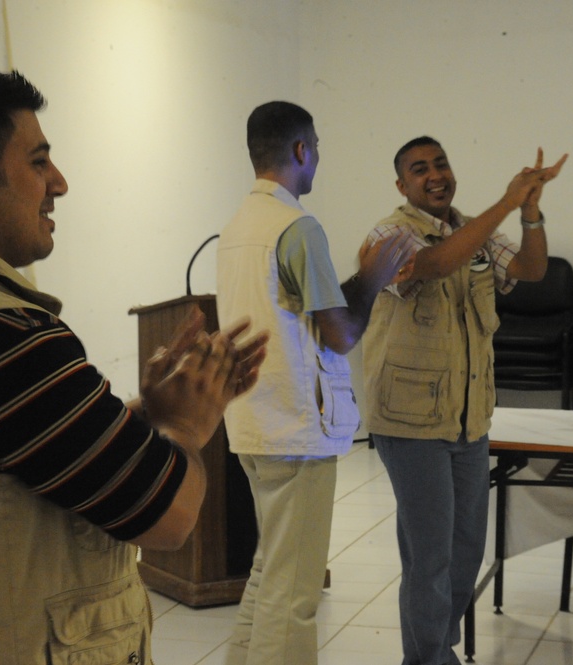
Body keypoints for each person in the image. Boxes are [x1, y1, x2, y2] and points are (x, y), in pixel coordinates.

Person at [0, 68, 267, 664]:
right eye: (38, 162)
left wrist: (148, 412)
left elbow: (2, 451)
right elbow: (170, 515)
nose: (60, 182)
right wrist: (189, 424)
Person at [215, 101, 415, 665]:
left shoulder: (237, 227)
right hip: (296, 426)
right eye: (317, 147)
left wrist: (359, 278)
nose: (318, 157)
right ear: (301, 150)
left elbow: (305, 308)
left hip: (253, 422)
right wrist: (374, 279)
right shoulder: (298, 227)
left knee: (268, 572)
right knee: (295, 592)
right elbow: (342, 332)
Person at [361, 136, 567, 665]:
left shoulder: (473, 228)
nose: (435, 174)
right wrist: (505, 202)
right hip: (410, 423)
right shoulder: (389, 233)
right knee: (429, 557)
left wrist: (530, 211)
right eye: (419, 168)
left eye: (441, 163)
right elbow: (430, 266)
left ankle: (432, 651)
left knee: (465, 554)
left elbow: (530, 270)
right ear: (402, 184)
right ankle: (429, 659)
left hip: (468, 420)